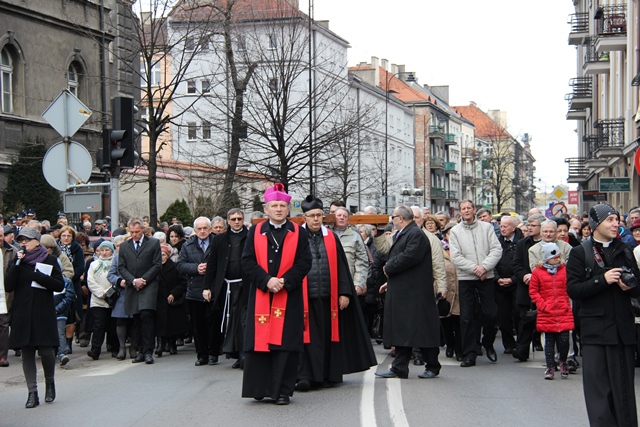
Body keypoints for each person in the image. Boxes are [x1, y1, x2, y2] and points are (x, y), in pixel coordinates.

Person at [567, 203, 640, 425]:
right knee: (599, 393)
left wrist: (630, 287)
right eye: (610, 220)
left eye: (617, 219)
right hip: (596, 334)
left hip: (623, 332)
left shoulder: (625, 251)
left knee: (624, 391)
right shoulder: (580, 252)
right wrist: (602, 280)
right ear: (596, 224)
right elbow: (574, 290)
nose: (616, 224)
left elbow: (638, 287)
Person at [241, 183, 312, 405]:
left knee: (285, 344)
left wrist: (285, 281)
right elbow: (247, 261)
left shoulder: (299, 233)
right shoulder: (255, 232)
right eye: (274, 205)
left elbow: (305, 262)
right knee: (260, 341)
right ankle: (259, 388)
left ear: (288, 209)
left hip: (288, 295)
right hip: (262, 293)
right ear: (267, 209)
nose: (279, 209)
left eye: (282, 206)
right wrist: (266, 280)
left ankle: (282, 391)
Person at [296, 195, 376, 391]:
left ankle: (326, 375)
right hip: (304, 296)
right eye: (312, 216)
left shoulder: (330, 237)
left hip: (327, 296)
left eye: (319, 215)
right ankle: (305, 376)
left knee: (326, 338)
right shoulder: (296, 237)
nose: (316, 219)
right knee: (306, 338)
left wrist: (344, 292)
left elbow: (341, 267)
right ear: (305, 218)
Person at [375, 205, 441, 379]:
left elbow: (410, 256)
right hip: (404, 289)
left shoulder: (415, 234)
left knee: (423, 330)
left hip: (416, 292)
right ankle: (399, 368)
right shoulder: (405, 233)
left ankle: (432, 365)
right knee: (402, 330)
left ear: (401, 218)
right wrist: (390, 282)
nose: (392, 220)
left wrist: (389, 267)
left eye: (393, 217)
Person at [5, 228, 64, 408]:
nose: (23, 243)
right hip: (22, 312)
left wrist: (39, 276)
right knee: (27, 352)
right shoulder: (17, 262)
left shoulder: (50, 260)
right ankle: (32, 392)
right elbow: (8, 286)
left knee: (46, 351)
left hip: (43, 311)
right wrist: (16, 264)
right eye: (21, 240)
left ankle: (50, 383)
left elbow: (59, 285)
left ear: (37, 241)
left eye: (27, 239)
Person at [449, 200, 502, 367]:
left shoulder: (486, 228)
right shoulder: (455, 231)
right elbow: (455, 256)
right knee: (467, 317)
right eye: (463, 208)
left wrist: (484, 267)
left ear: (474, 210)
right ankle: (469, 353)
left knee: (491, 313)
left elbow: (496, 249)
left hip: (486, 277)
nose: (466, 211)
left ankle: (487, 342)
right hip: (466, 278)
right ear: (460, 211)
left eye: (469, 208)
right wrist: (475, 269)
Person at [203, 209, 249, 369]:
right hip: (226, 287)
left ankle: (244, 354)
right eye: (233, 219)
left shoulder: (250, 237)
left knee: (243, 320)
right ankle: (235, 354)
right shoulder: (219, 240)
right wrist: (207, 287)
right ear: (228, 221)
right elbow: (212, 264)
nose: (237, 221)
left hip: (245, 286)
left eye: (239, 219)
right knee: (230, 322)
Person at [118, 217, 162, 365]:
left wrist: (144, 280)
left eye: (137, 232)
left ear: (142, 229)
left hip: (148, 284)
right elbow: (121, 267)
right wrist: (133, 280)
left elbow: (157, 265)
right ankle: (140, 351)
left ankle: (148, 351)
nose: (134, 235)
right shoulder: (124, 246)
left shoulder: (153, 243)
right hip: (133, 286)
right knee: (136, 318)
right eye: (132, 232)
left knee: (146, 315)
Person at [177, 217, 219, 366]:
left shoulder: (217, 242)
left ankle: (214, 353)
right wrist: (196, 268)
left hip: (214, 289)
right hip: (194, 290)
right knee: (198, 325)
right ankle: (202, 355)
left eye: (205, 228)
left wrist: (211, 269)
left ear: (210, 229)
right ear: (195, 230)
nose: (202, 231)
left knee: (213, 323)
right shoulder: (187, 245)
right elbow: (180, 265)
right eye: (199, 229)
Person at [529, 242, 574, 380]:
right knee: (549, 342)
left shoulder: (565, 270)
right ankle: (550, 366)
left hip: (563, 310)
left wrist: (566, 302)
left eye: (559, 256)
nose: (558, 259)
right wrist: (542, 305)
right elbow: (533, 291)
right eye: (555, 257)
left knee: (564, 340)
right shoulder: (538, 272)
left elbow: (571, 286)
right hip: (547, 312)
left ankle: (563, 361)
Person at [494, 215, 524, 355]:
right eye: (501, 226)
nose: (502, 229)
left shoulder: (521, 242)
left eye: (505, 226)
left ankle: (520, 344)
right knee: (503, 315)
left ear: (513, 227)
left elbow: (523, 264)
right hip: (500, 284)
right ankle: (508, 344)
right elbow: (491, 261)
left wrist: (513, 279)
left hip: (516, 284)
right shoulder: (496, 241)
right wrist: (497, 278)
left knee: (518, 314)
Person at [86, 241, 116, 360]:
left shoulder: (115, 263)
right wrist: (101, 293)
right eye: (101, 250)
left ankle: (114, 347)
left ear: (112, 251)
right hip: (98, 300)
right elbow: (90, 281)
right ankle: (95, 350)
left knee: (113, 325)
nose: (104, 253)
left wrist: (109, 292)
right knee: (99, 325)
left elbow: (116, 278)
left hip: (112, 298)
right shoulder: (94, 264)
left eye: (107, 250)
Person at [156, 243, 187, 357]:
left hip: (172, 300)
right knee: (159, 323)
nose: (161, 257)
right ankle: (160, 345)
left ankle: (172, 344)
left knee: (172, 323)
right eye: (159, 255)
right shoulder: (155, 268)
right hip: (159, 299)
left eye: (163, 255)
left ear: (168, 255)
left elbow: (183, 283)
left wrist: (174, 293)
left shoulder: (174, 267)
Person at [329, 207, 368, 297]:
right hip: (329, 282)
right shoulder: (326, 234)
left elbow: (362, 261)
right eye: (339, 215)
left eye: (345, 216)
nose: (342, 218)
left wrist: (359, 283)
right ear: (333, 217)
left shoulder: (355, 236)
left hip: (349, 283)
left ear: (348, 220)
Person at [108, 235, 135, 360]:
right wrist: (119, 281)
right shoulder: (117, 257)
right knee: (121, 321)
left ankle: (133, 347)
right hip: (122, 293)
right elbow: (111, 275)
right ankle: (122, 347)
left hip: (135, 291)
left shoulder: (138, 256)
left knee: (135, 321)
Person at [0, 226, 16, 367]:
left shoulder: (12, 251)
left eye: (1, 235)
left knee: (4, 324)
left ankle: (2, 356)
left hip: (5, 294)